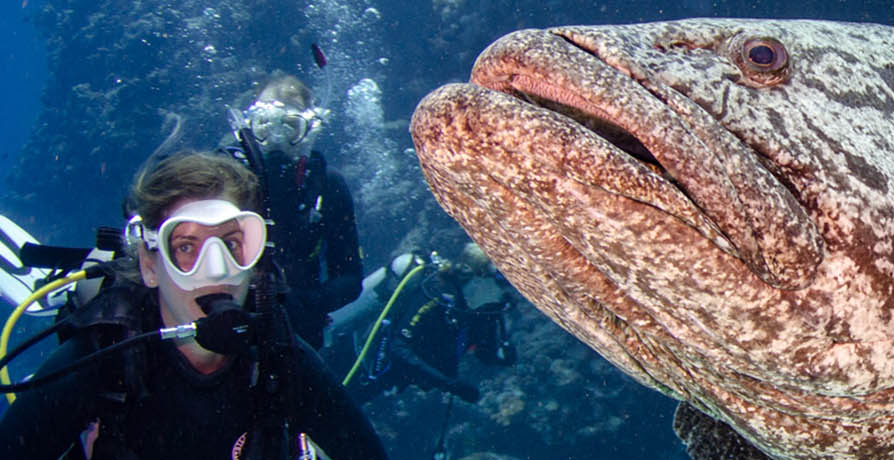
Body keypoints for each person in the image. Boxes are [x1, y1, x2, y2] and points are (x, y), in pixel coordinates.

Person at [0, 152, 387, 459]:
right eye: (186, 247)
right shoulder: (104, 357)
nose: (216, 271)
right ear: (150, 265)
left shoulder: (278, 356)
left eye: (232, 244)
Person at [231, 75, 362, 349]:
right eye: (265, 126)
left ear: (311, 129)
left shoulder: (328, 185)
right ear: (249, 127)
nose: (277, 140)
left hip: (299, 332)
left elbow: (350, 277)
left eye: (291, 127)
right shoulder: (226, 182)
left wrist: (304, 304)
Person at [326, 243, 517, 405]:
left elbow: (484, 351)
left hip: (383, 383)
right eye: (501, 281)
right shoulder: (437, 293)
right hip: (355, 364)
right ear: (476, 276)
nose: (505, 290)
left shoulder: (478, 312)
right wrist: (450, 385)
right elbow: (398, 347)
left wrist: (503, 355)